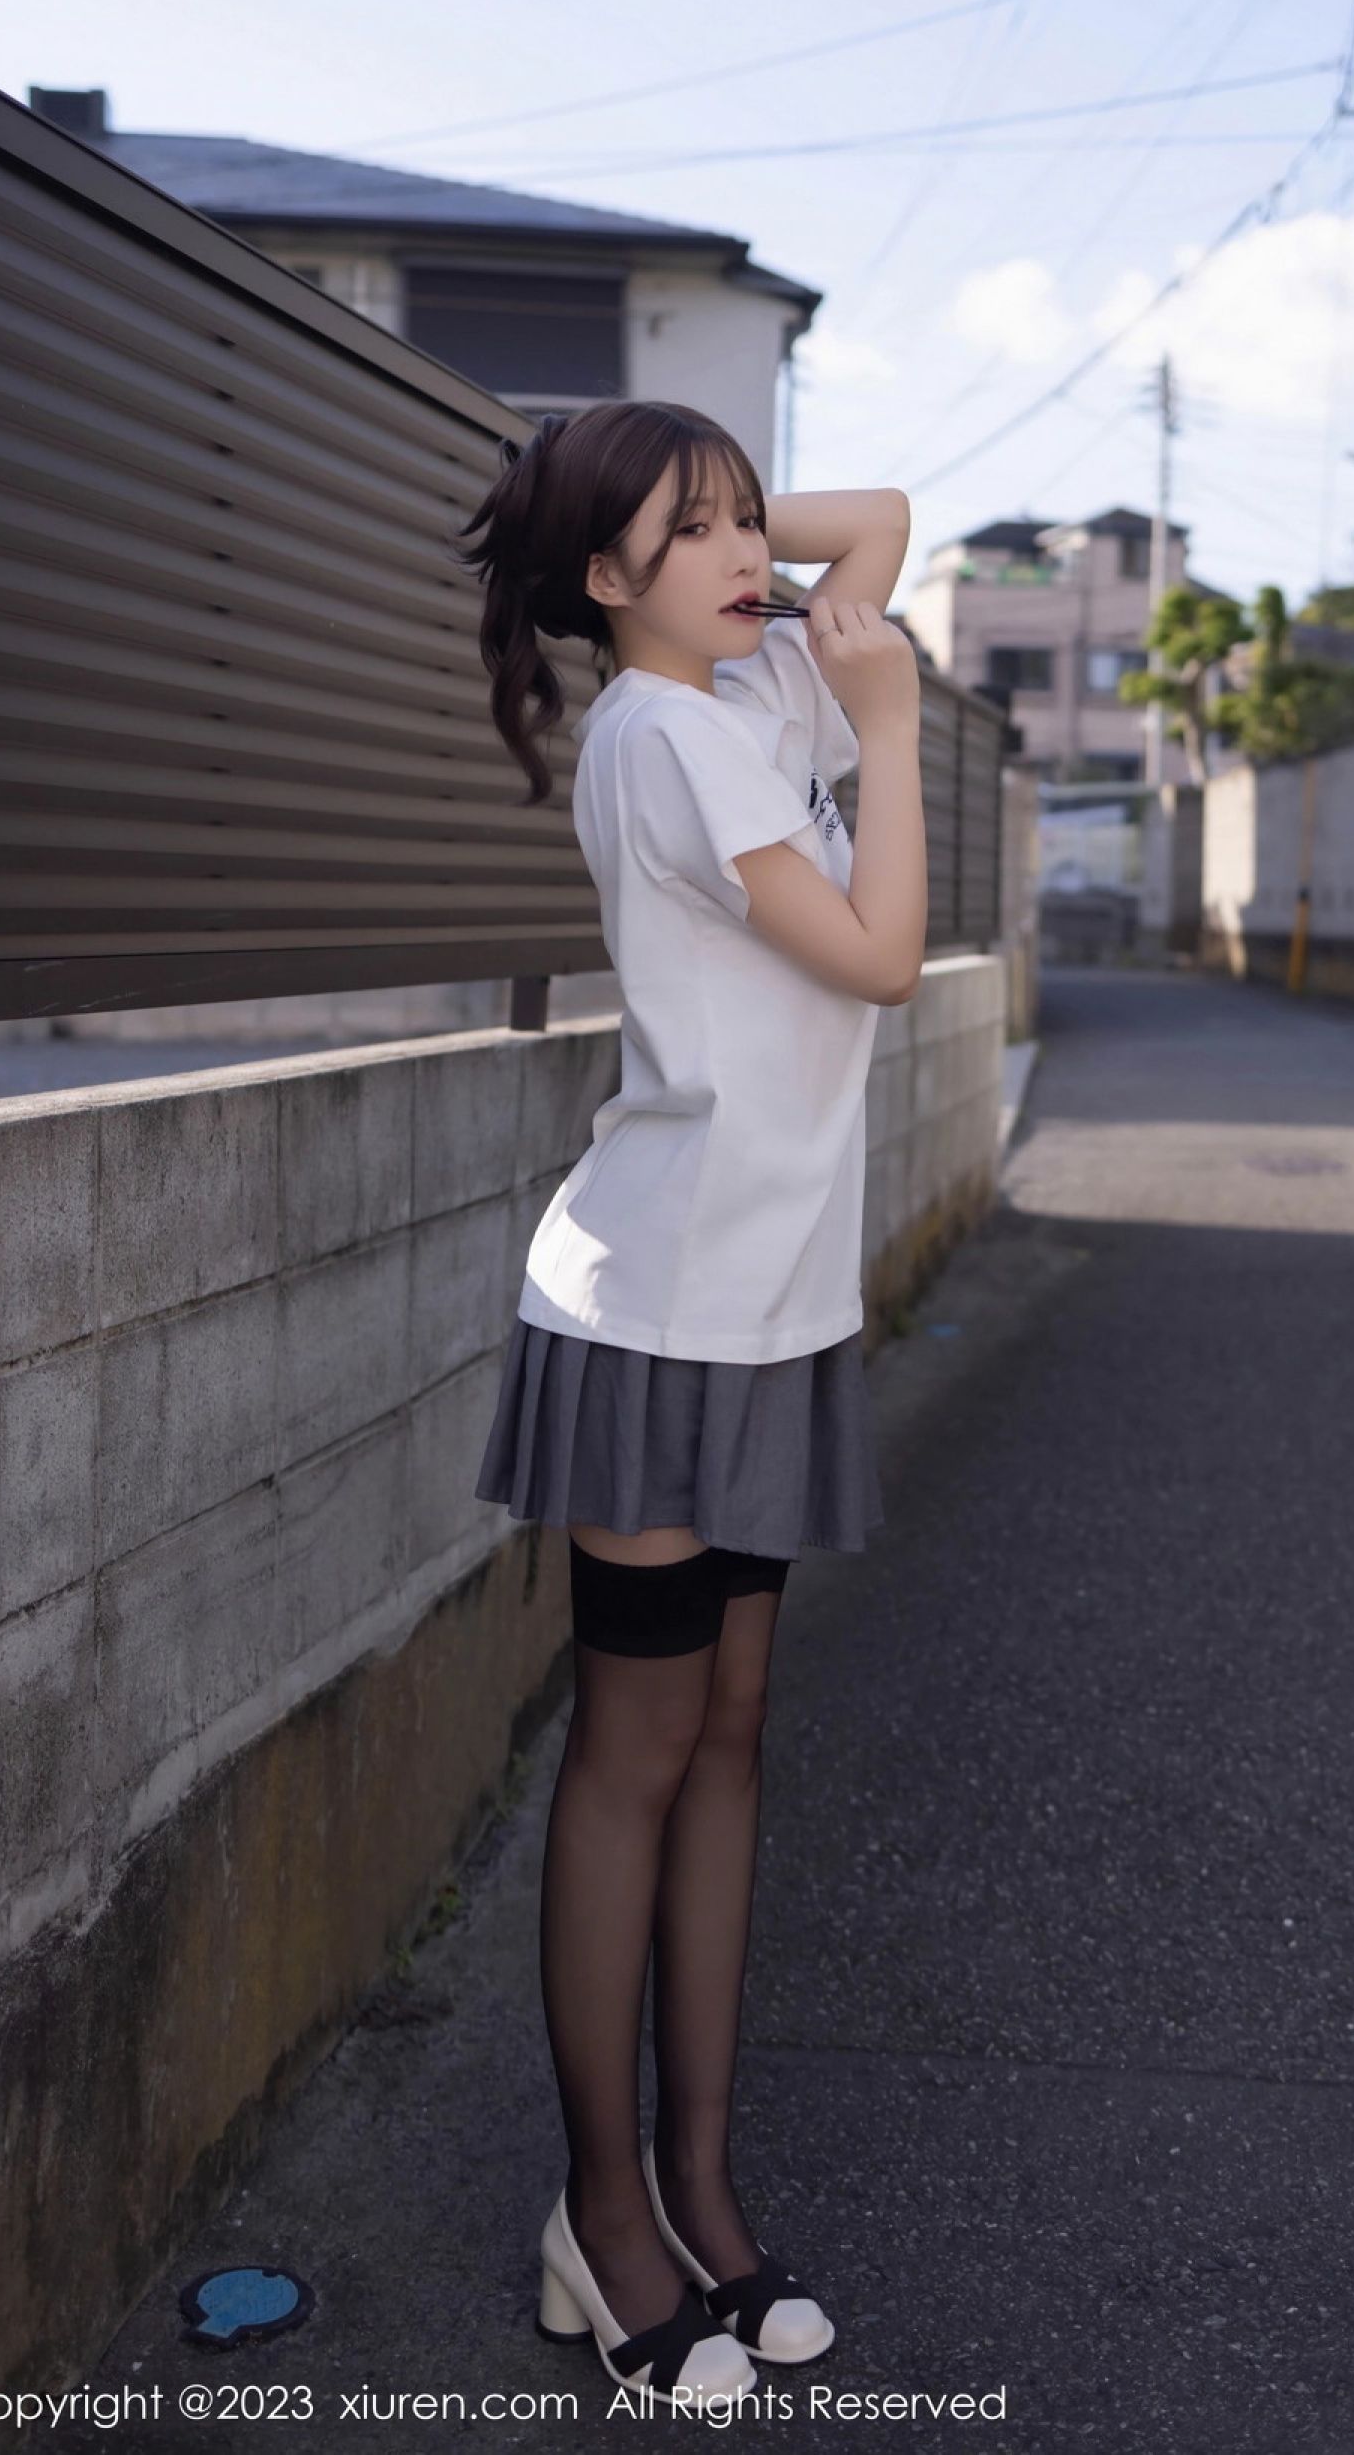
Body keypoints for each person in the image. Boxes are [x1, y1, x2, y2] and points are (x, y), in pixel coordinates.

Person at [454, 400, 925, 2414]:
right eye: (701, 533)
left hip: (771, 1308)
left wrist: (681, 511)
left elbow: (878, 516)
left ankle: (704, 2191)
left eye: (749, 523)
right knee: (637, 1756)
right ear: (600, 582)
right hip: (656, 1314)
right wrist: (892, 731)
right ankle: (604, 2215)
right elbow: (882, 959)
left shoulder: (743, 690)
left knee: (727, 1741)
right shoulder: (668, 736)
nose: (757, 559)